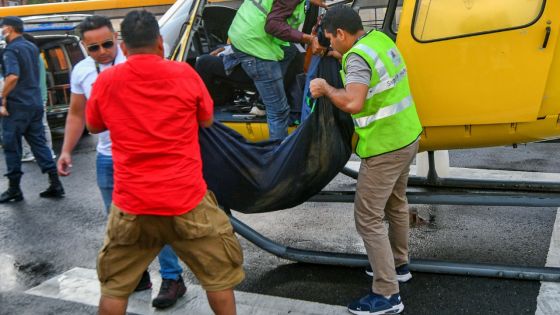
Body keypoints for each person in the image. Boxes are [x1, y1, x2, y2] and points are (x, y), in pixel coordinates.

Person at [86, 10, 244, 315]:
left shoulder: (107, 81)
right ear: (160, 42)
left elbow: (93, 125)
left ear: (123, 46)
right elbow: (207, 119)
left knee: (115, 287)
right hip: (187, 201)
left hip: (132, 205)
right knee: (219, 280)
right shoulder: (184, 74)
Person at [56, 15, 185, 308]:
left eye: (107, 44)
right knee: (119, 225)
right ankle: (137, 275)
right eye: (93, 48)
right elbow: (77, 114)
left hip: (142, 158)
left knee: (157, 221)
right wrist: (65, 150)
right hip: (106, 159)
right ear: (84, 47)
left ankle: (172, 278)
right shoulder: (82, 72)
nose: (101, 51)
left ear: (119, 41)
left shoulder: (134, 63)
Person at [310, 7, 422, 315]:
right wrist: (341, 61)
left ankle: (387, 295)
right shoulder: (380, 41)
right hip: (408, 135)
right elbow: (372, 76)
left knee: (368, 218)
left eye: (332, 40)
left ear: (342, 34)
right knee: (396, 203)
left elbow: (354, 101)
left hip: (385, 146)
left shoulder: (356, 57)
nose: (331, 46)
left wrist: (325, 88)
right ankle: (399, 266)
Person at [224, 0, 326, 140]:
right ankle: (278, 156)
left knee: (290, 51)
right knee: (279, 111)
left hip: (249, 32)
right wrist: (309, 39)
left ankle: (262, 101)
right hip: (254, 43)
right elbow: (272, 25)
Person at [0, 16, 64, 203]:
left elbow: (12, 76)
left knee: (12, 146)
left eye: (2, 27)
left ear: (10, 28)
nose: (2, 30)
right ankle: (55, 184)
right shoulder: (31, 47)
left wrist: (2, 97)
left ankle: (14, 189)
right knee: (39, 144)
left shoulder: (11, 50)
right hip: (34, 103)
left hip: (16, 106)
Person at [21, 33, 56, 163]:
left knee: (30, 125)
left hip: (31, 97)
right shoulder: (37, 57)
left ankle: (31, 152)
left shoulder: (29, 57)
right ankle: (47, 151)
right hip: (40, 96)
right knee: (41, 124)